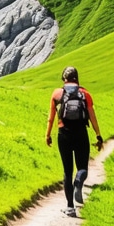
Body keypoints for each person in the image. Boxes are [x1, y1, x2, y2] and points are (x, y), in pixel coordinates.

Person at [45, 66, 103, 217]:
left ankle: (70, 207)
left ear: (64, 79)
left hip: (63, 134)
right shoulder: (85, 94)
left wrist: (48, 135)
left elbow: (51, 118)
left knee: (67, 171)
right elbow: (92, 116)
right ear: (77, 78)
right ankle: (79, 182)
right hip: (81, 133)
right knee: (82, 167)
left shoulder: (57, 94)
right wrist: (98, 135)